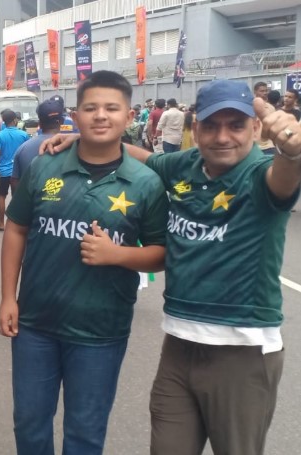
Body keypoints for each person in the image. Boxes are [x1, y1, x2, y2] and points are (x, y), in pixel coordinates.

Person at [39, 79, 301, 455]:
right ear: (196, 128)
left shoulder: (260, 175)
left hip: (242, 350)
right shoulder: (187, 165)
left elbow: (284, 178)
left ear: (256, 127)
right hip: (179, 345)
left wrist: (291, 153)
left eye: (236, 125)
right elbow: (142, 157)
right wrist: (83, 140)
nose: (222, 137)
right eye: (211, 126)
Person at [0, 71, 168, 455]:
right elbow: (16, 228)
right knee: (29, 424)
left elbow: (162, 253)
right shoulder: (45, 166)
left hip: (101, 331)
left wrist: (117, 255)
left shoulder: (146, 182)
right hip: (35, 325)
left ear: (130, 117)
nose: (101, 116)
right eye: (90, 108)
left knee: (85, 434)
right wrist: (8, 296)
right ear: (74, 116)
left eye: (112, 108)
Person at [11, 98, 63, 191]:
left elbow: (15, 183)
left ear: (40, 124)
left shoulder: (23, 149)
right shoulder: (74, 148)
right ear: (62, 121)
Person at [0, 110, 28, 231]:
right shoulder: (23, 135)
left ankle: (1, 223)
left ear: (4, 122)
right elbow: (27, 152)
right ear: (15, 120)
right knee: (17, 198)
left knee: (1, 196)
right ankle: (18, 224)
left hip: (5, 172)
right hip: (19, 172)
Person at [254, 84, 277, 155]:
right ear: (255, 92)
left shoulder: (271, 108)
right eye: (262, 91)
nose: (265, 93)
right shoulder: (249, 107)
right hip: (254, 146)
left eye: (266, 91)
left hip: (269, 146)